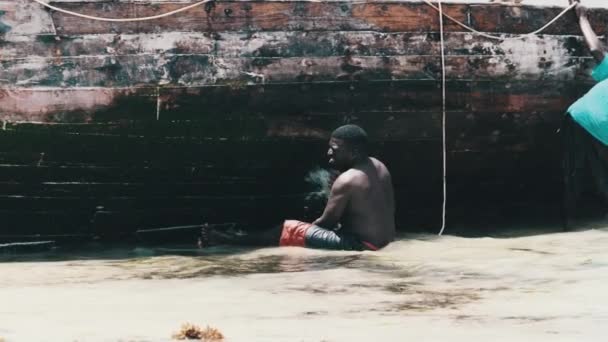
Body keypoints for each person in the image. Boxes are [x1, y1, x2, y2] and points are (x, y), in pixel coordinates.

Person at [202, 124, 396, 250]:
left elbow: (326, 223)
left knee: (289, 228)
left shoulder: (347, 180)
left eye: (335, 150)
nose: (329, 153)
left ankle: (227, 240)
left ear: (353, 152)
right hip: (385, 241)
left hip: (362, 245)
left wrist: (301, 233)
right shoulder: (379, 166)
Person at [563, 0, 608, 227]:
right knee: (597, 180)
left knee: (575, 178)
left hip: (578, 116)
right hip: (595, 125)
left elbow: (596, 51)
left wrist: (582, 18)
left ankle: (569, 225)